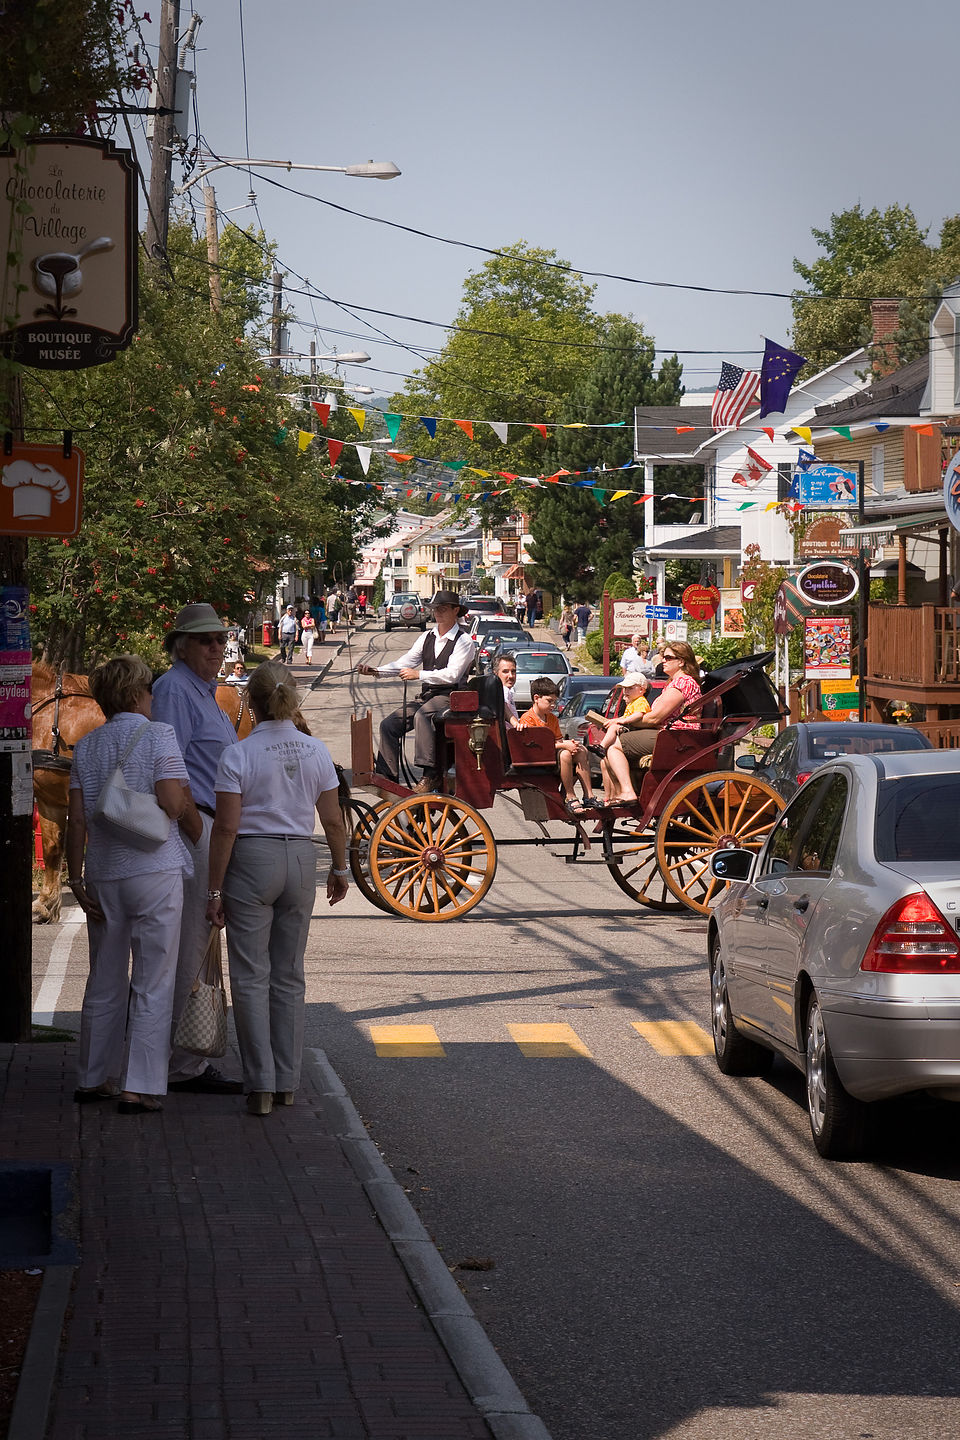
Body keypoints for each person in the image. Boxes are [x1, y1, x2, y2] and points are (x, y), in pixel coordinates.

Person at [205, 661, 349, 1116]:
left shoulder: (239, 754)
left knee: (251, 975)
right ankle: (287, 1080)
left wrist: (214, 890)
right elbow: (331, 819)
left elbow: (226, 828)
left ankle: (260, 1084)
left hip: (252, 858)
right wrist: (340, 868)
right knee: (290, 974)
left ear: (252, 700)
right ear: (292, 700)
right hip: (301, 859)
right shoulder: (316, 751)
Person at [67, 655, 201, 1115]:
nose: (152, 697)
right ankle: (139, 1086)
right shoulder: (158, 734)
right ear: (136, 693)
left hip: (104, 873)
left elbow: (78, 819)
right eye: (148, 689)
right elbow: (169, 799)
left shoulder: (85, 746)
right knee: (153, 980)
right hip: (155, 871)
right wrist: (190, 816)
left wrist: (74, 876)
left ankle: (93, 1077)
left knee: (103, 979)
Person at [151, 602, 243, 1094]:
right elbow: (170, 769)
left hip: (209, 827)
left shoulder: (204, 691)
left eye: (219, 638)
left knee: (201, 945)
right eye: (204, 639)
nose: (215, 646)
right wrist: (195, 831)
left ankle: (183, 1058)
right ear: (181, 645)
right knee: (187, 946)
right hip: (196, 828)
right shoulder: (174, 690)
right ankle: (173, 1064)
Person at [355, 590, 477, 794]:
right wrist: (377, 671)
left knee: (423, 715)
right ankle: (388, 775)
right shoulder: (427, 637)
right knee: (389, 725)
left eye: (443, 608)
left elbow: (453, 675)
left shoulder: (464, 641)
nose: (437, 612)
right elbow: (405, 662)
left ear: (456, 611)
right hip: (428, 696)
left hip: (451, 696)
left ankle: (431, 774)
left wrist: (418, 675)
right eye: (435, 608)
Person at [602, 640, 702, 805]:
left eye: (668, 657)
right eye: (663, 656)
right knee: (607, 756)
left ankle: (628, 792)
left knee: (614, 745)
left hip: (675, 737)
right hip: (669, 735)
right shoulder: (674, 683)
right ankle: (622, 794)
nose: (663, 660)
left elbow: (655, 718)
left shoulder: (683, 683)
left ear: (682, 661)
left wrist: (624, 722)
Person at [518, 677, 598, 816]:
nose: (553, 705)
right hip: (539, 758)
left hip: (552, 753)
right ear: (536, 698)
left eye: (555, 702)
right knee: (565, 753)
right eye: (549, 701)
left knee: (581, 750)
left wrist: (570, 745)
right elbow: (535, 745)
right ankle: (570, 795)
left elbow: (559, 740)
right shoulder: (528, 718)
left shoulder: (552, 718)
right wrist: (565, 746)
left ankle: (588, 795)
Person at [591, 673, 651, 803]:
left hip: (635, 732)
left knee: (614, 727)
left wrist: (620, 721)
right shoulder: (632, 702)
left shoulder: (641, 701)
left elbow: (638, 716)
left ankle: (602, 746)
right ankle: (612, 795)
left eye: (630, 688)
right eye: (625, 688)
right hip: (631, 732)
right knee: (604, 762)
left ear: (641, 689)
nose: (626, 691)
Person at [495, 653, 522, 730]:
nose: (511, 676)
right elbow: (504, 706)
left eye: (513, 671)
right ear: (496, 673)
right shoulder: (503, 690)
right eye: (505, 671)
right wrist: (515, 723)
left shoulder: (508, 691)